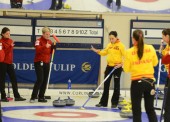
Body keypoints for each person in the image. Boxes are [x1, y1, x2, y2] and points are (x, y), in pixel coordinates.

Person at [123, 29, 158, 122]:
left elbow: (126, 69)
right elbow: (155, 63)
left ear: (133, 39)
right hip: (150, 82)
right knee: (150, 109)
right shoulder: (151, 48)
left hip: (137, 83)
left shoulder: (129, 52)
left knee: (136, 110)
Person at [91, 31, 125, 108]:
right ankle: (103, 102)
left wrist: (121, 64)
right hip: (109, 66)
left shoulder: (121, 46)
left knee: (116, 85)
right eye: (110, 38)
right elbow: (104, 52)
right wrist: (97, 51)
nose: (111, 40)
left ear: (116, 37)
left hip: (117, 67)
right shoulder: (109, 45)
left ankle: (114, 103)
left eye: (112, 38)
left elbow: (126, 56)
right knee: (106, 84)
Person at [0, 27, 26, 102]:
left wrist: (10, 47)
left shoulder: (11, 40)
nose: (8, 35)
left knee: (14, 79)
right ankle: (3, 96)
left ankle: (17, 96)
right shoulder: (0, 42)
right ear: (2, 34)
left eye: (9, 33)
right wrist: (10, 46)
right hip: (2, 63)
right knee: (2, 80)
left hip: (9, 63)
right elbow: (3, 53)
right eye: (7, 34)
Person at [30, 27, 56, 103]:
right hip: (39, 62)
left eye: (49, 34)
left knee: (45, 80)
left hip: (46, 62)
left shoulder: (50, 42)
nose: (48, 36)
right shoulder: (38, 41)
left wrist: (54, 48)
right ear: (43, 34)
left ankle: (41, 96)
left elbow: (51, 52)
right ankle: (33, 96)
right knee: (40, 79)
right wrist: (45, 46)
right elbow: (37, 50)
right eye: (46, 34)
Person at [161, 28, 170, 122]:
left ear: (167, 36)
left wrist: (164, 57)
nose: (162, 38)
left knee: (168, 100)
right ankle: (166, 114)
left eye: (163, 36)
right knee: (166, 96)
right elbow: (164, 56)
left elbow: (165, 59)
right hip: (168, 75)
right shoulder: (167, 45)